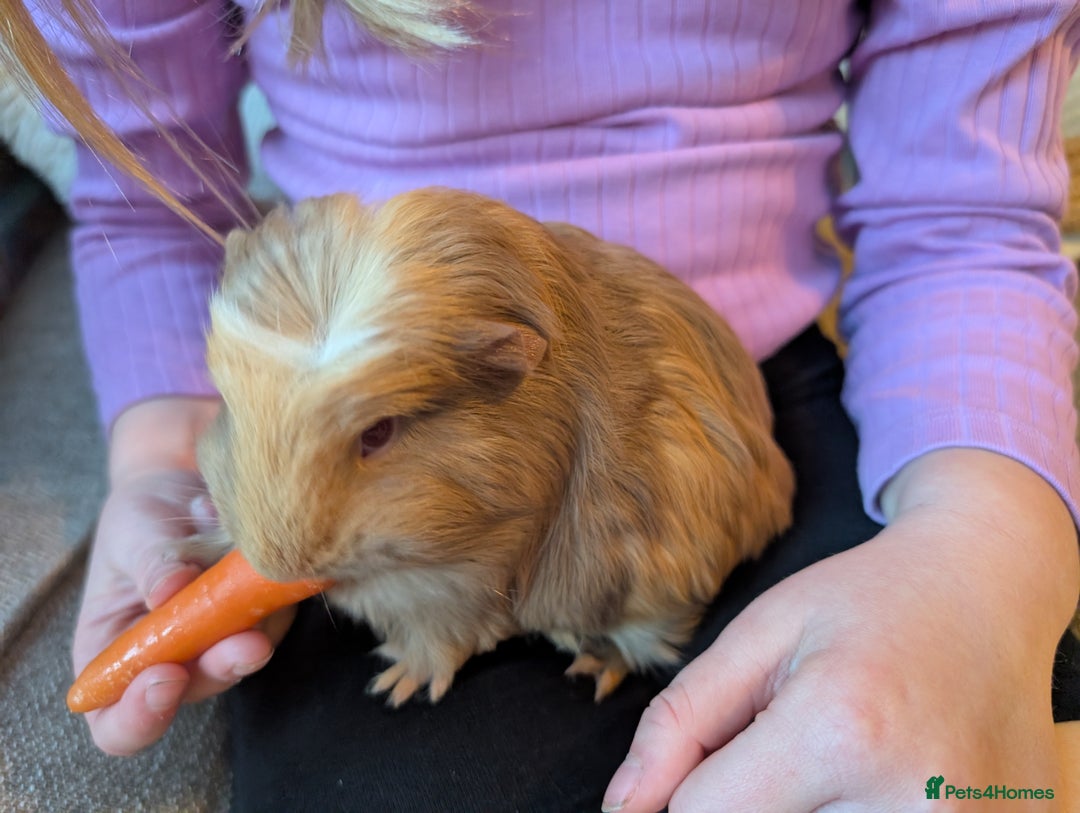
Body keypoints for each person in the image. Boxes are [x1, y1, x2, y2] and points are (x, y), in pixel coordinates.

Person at [11, 1, 1080, 809]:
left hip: (799, 393)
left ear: (502, 368)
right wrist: (163, 456)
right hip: (347, 399)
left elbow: (963, 210)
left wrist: (978, 560)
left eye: (381, 435)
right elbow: (147, 197)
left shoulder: (519, 409)